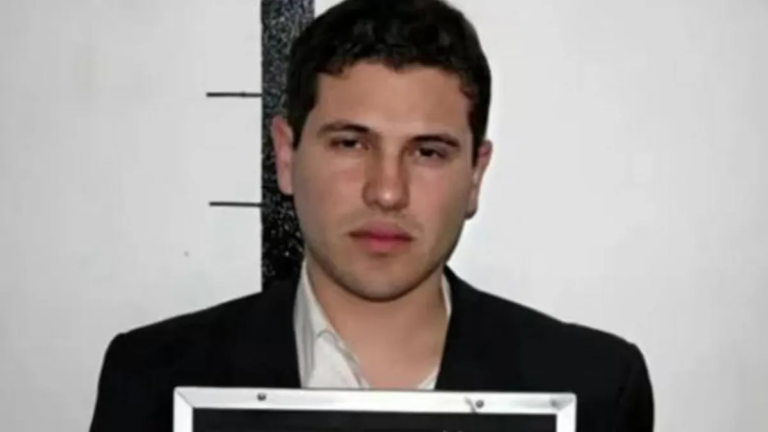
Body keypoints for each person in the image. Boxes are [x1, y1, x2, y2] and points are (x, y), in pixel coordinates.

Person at [89, 0, 654, 431]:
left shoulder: (595, 389)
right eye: (351, 144)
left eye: (427, 152)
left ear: (475, 175)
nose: (387, 192)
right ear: (285, 156)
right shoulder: (152, 379)